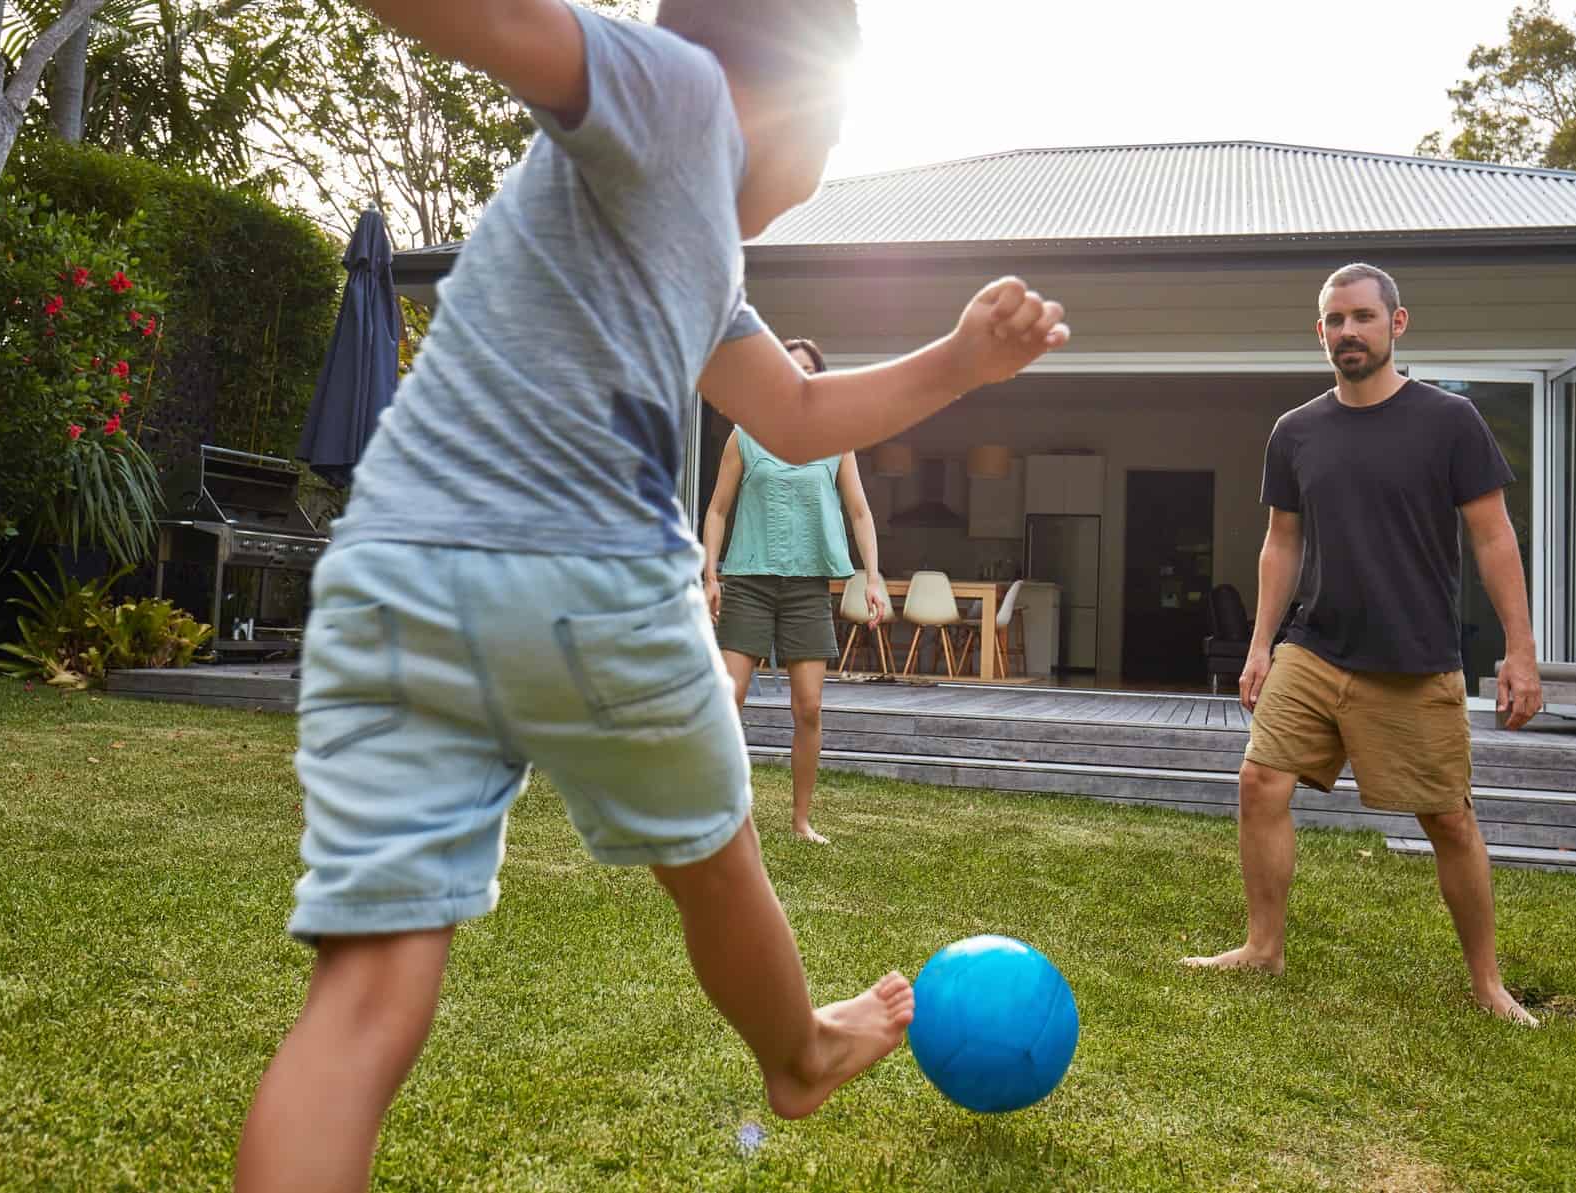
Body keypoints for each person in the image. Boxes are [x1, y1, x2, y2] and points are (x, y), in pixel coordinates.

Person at [233, 2, 1073, 1188]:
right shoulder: (671, 87)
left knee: (366, 996)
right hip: (587, 570)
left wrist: (962, 361)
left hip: (399, 573)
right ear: (803, 96)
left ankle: (803, 1044)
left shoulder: (696, 253)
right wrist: (966, 358)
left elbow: (794, 411)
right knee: (716, 852)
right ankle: (797, 1047)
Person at [1181, 263, 1544, 1028]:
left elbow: (1492, 535)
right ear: (1319, 333)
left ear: (1395, 324)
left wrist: (1519, 649)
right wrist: (1259, 644)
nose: (1347, 331)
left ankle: (1485, 981)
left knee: (1446, 818)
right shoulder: (1296, 431)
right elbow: (1280, 543)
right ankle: (1262, 946)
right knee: (1259, 783)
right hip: (1313, 646)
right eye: (1333, 320)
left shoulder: (1449, 421)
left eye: (1361, 317)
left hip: (1413, 658)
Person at [703, 337, 885, 845]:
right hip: (749, 584)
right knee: (729, 699)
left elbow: (860, 512)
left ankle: (801, 820)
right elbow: (717, 509)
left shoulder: (837, 441)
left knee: (808, 707)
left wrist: (872, 576)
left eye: (807, 370)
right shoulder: (744, 436)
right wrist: (710, 575)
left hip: (806, 589)